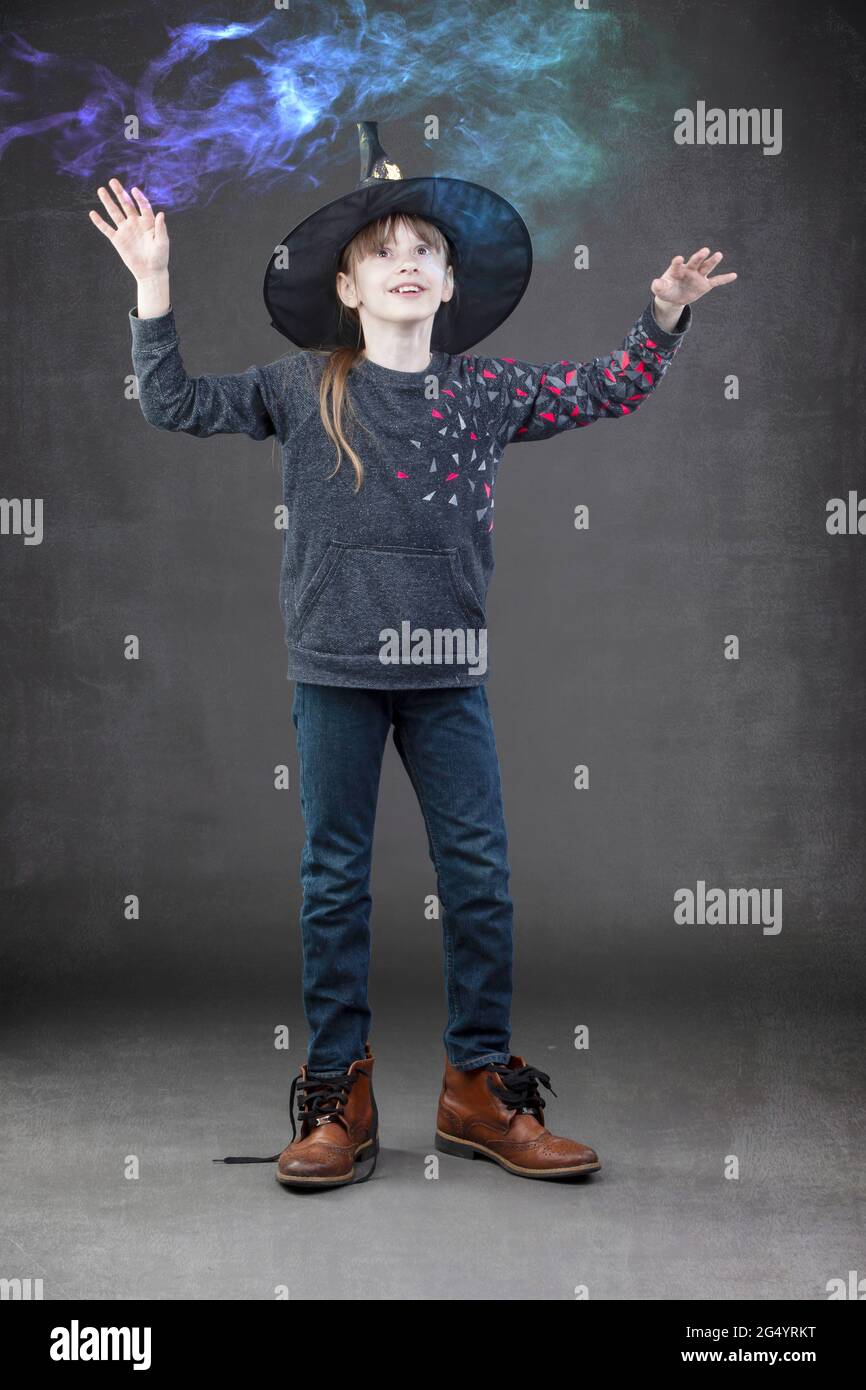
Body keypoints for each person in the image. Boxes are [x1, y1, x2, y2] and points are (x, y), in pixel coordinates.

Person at [89, 121, 735, 1192]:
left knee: (477, 877)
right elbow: (171, 401)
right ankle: (339, 1091)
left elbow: (609, 385)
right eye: (382, 251)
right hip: (332, 673)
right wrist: (153, 284)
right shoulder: (301, 391)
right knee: (333, 884)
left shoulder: (482, 396)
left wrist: (658, 316)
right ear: (346, 285)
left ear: (447, 288)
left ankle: (476, 1088)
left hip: (445, 678)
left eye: (423, 252)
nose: (404, 263)